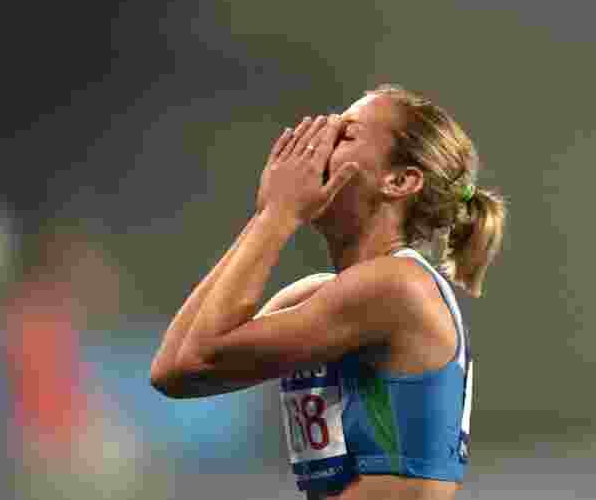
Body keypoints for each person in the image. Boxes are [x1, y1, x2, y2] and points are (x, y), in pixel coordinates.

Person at [150, 84, 507, 499]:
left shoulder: (397, 287)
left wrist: (279, 215)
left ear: (399, 180)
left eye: (345, 136)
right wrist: (268, 214)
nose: (317, 146)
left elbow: (201, 352)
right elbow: (175, 370)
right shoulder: (319, 296)